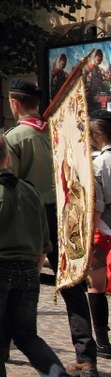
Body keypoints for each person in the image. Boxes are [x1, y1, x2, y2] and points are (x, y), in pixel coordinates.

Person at [6, 78, 100, 375]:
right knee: (73, 285)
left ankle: (12, 340)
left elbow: (9, 184)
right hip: (63, 213)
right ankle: (86, 356)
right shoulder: (60, 131)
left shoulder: (16, 137)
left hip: (29, 215)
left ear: (14, 102)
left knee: (19, 279)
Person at [0, 131, 65, 376]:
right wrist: (34, 274)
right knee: (28, 336)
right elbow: (43, 242)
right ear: (8, 159)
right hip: (28, 270)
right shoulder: (31, 192)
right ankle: (58, 373)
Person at [87, 110, 111, 359]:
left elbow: (98, 203)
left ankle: (102, 341)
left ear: (100, 134)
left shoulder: (99, 163)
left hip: (103, 228)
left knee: (97, 286)